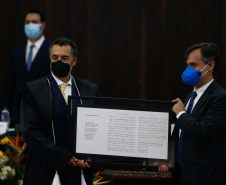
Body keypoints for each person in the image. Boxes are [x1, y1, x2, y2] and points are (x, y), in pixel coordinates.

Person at [19, 37, 101, 185]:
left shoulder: (90, 90)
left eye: (64, 58)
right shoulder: (33, 90)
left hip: (81, 171)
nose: (58, 62)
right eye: (54, 57)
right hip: (45, 172)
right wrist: (64, 157)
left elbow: (100, 127)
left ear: (74, 61)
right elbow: (31, 132)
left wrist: (91, 157)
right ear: (50, 59)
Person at [171, 43, 226, 185]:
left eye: (194, 65)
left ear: (210, 66)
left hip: (205, 176)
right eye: (187, 65)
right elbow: (183, 134)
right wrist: (168, 159)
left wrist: (181, 114)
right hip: (183, 172)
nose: (188, 70)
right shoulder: (191, 96)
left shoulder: (220, 97)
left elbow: (203, 129)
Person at [2, 9, 51, 127]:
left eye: (34, 22)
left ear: (43, 25)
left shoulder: (52, 51)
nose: (30, 25)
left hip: (41, 114)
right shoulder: (16, 51)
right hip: (17, 112)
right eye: (27, 22)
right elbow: (9, 83)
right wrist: (5, 109)